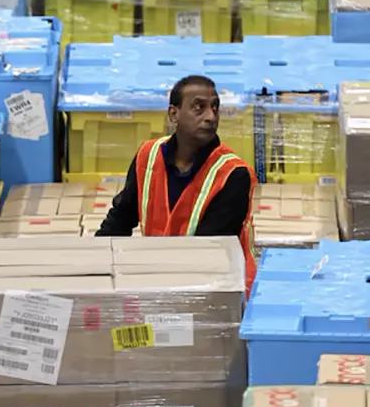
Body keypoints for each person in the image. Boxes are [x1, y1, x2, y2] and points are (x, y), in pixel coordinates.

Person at [96, 75, 258, 292]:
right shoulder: (148, 155)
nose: (211, 116)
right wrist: (93, 269)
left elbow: (208, 254)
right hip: (163, 281)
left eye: (215, 107)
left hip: (218, 290)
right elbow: (120, 219)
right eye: (199, 107)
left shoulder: (233, 174)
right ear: (174, 114)